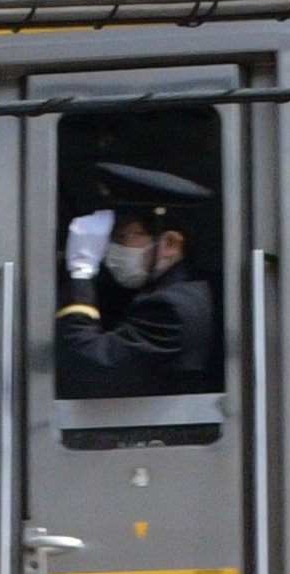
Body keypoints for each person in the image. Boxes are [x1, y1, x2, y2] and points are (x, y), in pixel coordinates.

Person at [51, 161, 223, 399]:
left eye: (124, 237)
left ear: (170, 244)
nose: (110, 249)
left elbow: (85, 364)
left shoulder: (172, 310)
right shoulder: (173, 291)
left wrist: (81, 270)